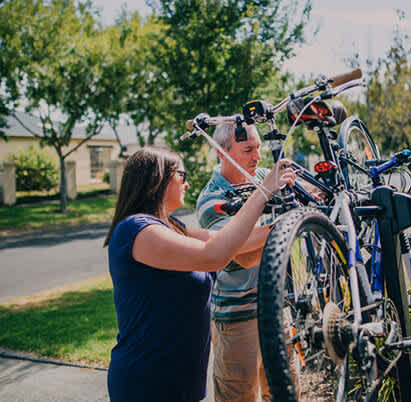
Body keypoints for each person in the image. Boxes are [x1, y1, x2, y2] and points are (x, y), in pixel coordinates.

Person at [104, 146, 294, 402]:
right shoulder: (137, 230)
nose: (187, 182)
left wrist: (290, 223)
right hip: (147, 383)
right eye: (182, 175)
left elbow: (239, 250)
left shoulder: (173, 227)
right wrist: (263, 191)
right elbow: (214, 255)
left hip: (182, 382)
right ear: (158, 178)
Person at [195, 123, 273, 402]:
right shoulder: (210, 199)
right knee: (239, 397)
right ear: (222, 153)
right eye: (248, 149)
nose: (258, 156)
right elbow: (241, 254)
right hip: (238, 318)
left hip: (277, 310)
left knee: (287, 392)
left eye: (259, 148)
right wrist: (284, 227)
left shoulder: (263, 177)